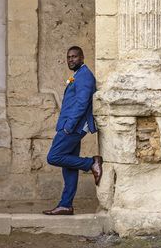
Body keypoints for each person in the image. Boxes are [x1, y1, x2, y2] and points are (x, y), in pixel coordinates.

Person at [43, 46, 102, 215]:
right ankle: (66, 205)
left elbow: (82, 103)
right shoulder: (77, 75)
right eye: (69, 57)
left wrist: (69, 126)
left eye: (75, 56)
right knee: (68, 166)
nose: (71, 60)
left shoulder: (84, 76)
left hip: (73, 127)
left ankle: (91, 163)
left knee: (54, 157)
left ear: (82, 58)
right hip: (69, 125)